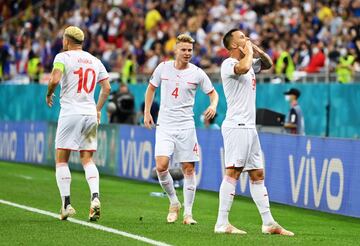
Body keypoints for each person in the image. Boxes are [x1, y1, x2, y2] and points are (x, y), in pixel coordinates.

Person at [214, 29, 294, 236]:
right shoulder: (229, 64)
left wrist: (255, 49)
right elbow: (244, 66)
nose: (247, 38)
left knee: (257, 174)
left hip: (249, 127)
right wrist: (249, 52)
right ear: (233, 45)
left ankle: (268, 223)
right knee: (233, 172)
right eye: (242, 37)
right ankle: (222, 223)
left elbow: (267, 64)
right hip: (236, 125)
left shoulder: (249, 61)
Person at [144, 34, 219, 225]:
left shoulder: (197, 73)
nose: (187, 53)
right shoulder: (163, 67)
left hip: (186, 126)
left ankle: (188, 214)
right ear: (176, 50)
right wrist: (147, 113)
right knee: (161, 166)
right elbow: (151, 88)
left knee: (188, 168)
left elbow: (213, 94)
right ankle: (174, 202)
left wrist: (213, 106)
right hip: (165, 125)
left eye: (190, 50)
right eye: (184, 49)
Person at [45, 26, 111, 221]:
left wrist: (49, 94)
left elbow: (55, 79)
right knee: (88, 159)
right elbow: (106, 87)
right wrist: (98, 109)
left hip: (71, 113)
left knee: (62, 159)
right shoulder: (95, 60)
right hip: (90, 113)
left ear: (66, 41)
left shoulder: (62, 57)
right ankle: (95, 198)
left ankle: (66, 205)